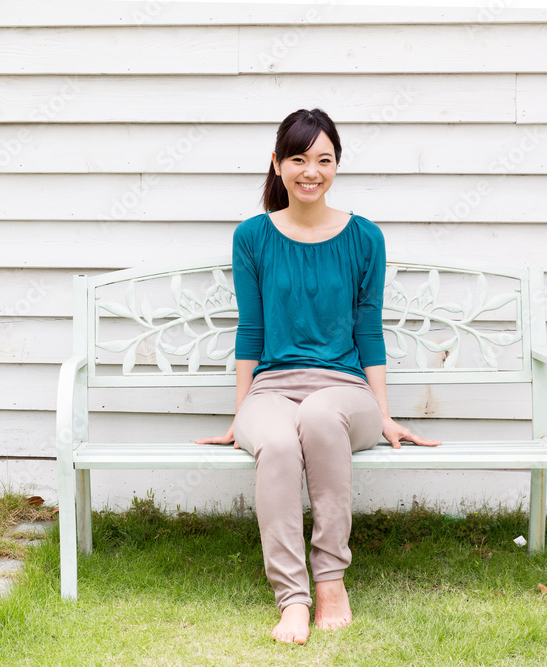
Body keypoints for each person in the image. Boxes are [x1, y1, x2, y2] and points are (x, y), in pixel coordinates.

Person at [196, 108, 441, 645]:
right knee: (279, 445)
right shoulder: (253, 237)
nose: (312, 171)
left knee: (320, 415)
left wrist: (383, 412)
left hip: (344, 393)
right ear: (278, 165)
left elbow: (369, 332)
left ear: (336, 165)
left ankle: (331, 578)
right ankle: (292, 598)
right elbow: (252, 330)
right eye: (299, 159)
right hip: (272, 389)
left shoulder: (364, 238)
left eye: (324, 160)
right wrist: (242, 415)